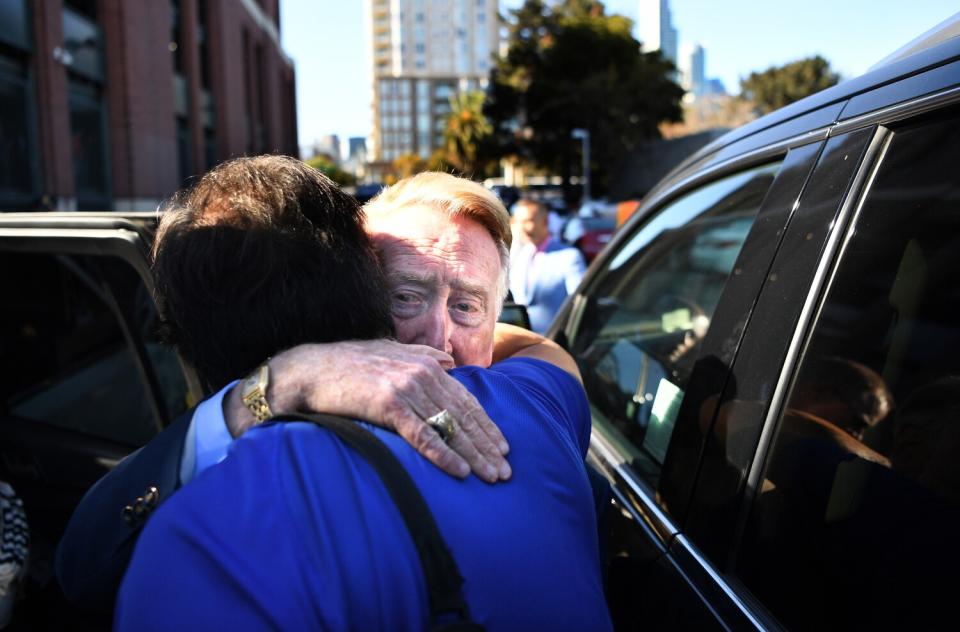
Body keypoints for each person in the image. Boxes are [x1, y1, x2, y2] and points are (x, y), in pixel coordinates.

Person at [54, 167, 606, 610]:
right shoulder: (537, 409)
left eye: (466, 306)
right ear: (354, 296)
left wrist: (278, 382)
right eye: (405, 297)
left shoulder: (219, 526)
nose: (439, 338)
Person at [509, 198, 586, 334]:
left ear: (545, 222)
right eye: (518, 222)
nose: (522, 228)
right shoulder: (520, 255)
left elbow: (580, 304)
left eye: (528, 221)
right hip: (522, 342)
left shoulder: (569, 256)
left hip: (555, 343)